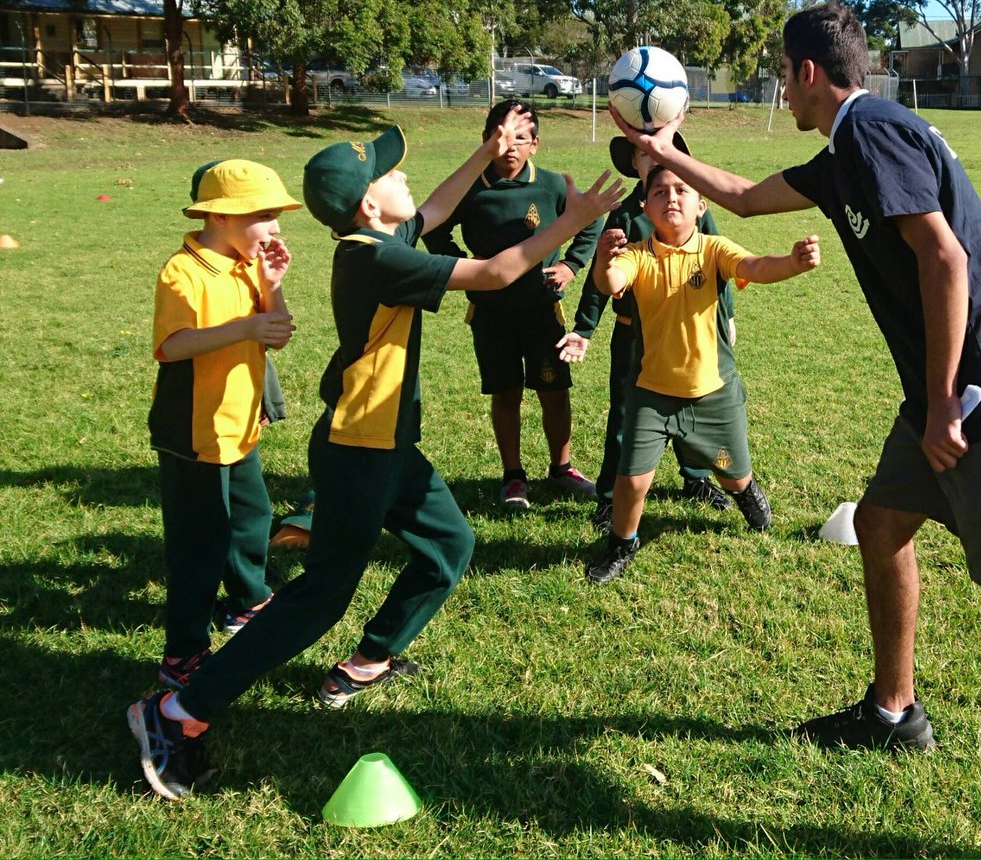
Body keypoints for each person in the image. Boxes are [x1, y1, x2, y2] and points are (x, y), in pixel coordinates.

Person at [610, 1, 981, 858]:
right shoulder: (844, 151)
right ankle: (893, 713)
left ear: (809, 72)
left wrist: (942, 401)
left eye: (783, 74)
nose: (780, 88)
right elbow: (742, 196)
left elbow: (945, 258)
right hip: (940, 396)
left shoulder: (872, 132)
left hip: (979, 398)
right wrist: (662, 151)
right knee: (882, 527)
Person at [127, 115, 623, 801]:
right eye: (391, 174)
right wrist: (574, 220)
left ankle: (369, 660)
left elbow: (436, 209)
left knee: (449, 546)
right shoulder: (376, 259)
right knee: (320, 598)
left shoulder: (379, 240)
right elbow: (496, 271)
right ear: (367, 203)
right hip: (358, 449)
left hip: (390, 445)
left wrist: (485, 151)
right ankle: (178, 711)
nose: (406, 177)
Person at [584, 164, 820, 583]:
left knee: (730, 470)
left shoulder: (713, 249)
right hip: (652, 395)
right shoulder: (636, 254)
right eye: (659, 192)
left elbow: (754, 266)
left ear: (701, 205)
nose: (671, 198)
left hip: (712, 394)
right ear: (645, 207)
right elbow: (610, 281)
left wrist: (792, 262)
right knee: (632, 481)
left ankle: (745, 491)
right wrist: (603, 261)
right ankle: (622, 545)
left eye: (682, 190)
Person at [148, 159, 300, 691]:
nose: (274, 227)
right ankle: (182, 652)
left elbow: (276, 332)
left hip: (239, 424)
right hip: (194, 433)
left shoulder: (247, 264)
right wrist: (245, 327)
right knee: (200, 544)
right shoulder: (183, 271)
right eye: (263, 215)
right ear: (221, 216)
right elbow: (172, 346)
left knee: (253, 517)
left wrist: (271, 286)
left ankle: (248, 600)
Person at [423, 99, 605, 511]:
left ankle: (562, 469)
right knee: (505, 392)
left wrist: (572, 265)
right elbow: (433, 229)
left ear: (535, 144)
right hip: (491, 314)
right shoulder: (470, 188)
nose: (511, 146)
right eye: (502, 136)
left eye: (521, 138)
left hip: (542, 310)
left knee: (553, 390)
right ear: (486, 139)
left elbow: (590, 219)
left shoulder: (551, 185)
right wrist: (463, 266)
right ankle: (513, 476)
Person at [556, 135, 737, 527]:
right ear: (634, 164)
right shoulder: (623, 215)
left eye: (662, 150)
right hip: (633, 338)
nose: (655, 158)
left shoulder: (693, 204)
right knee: (626, 416)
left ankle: (697, 478)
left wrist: (728, 318)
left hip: (690, 334)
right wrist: (584, 328)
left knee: (694, 408)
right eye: (645, 153)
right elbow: (601, 276)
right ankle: (610, 497)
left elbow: (719, 264)